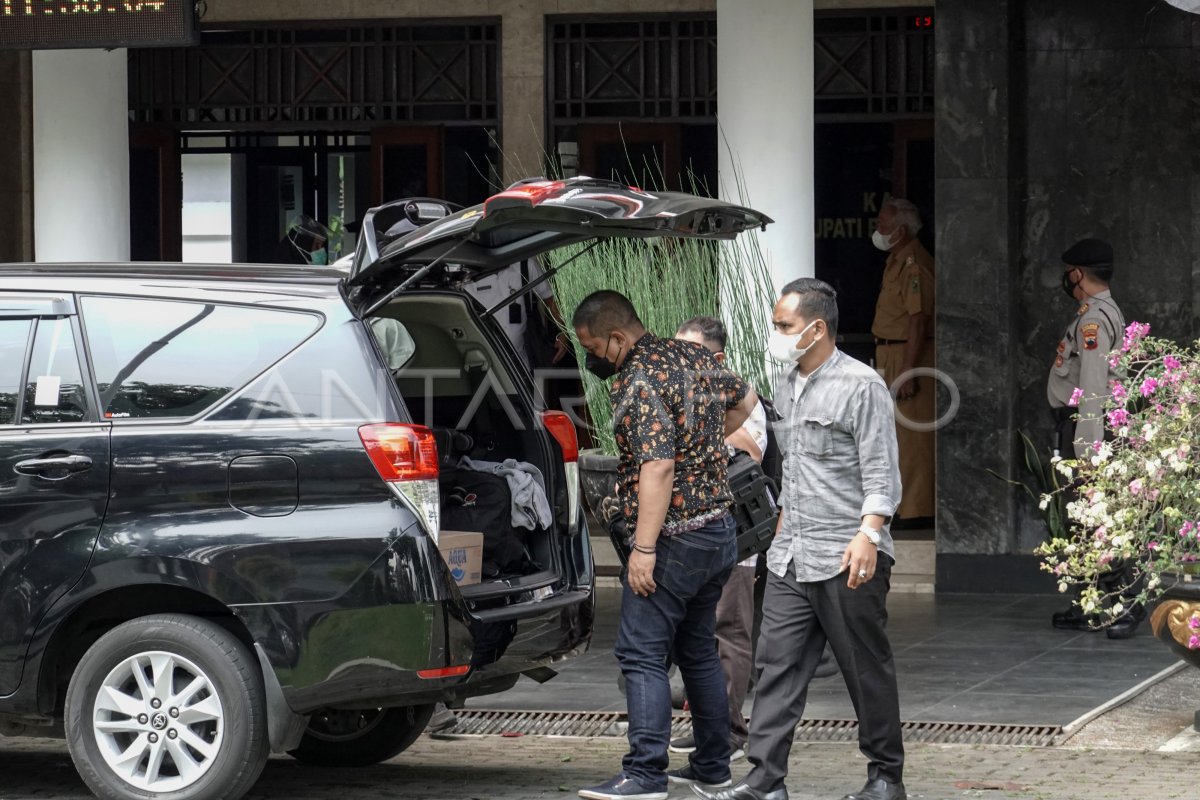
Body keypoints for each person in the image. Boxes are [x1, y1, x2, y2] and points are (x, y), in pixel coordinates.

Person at [696, 278, 905, 800]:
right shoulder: (786, 383)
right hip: (792, 554)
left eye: (784, 327)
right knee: (776, 667)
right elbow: (791, 464)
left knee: (865, 670)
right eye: (776, 326)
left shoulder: (862, 386)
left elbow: (882, 474)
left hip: (847, 553)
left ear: (816, 328)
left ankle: (885, 776)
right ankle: (765, 781)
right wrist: (782, 518)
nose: (777, 335)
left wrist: (869, 535)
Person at [573, 291, 757, 800]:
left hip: (673, 540)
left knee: (641, 653)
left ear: (616, 337)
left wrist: (644, 550)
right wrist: (703, 446)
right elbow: (747, 399)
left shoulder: (638, 377)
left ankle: (646, 774)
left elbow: (657, 465)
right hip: (718, 531)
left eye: (592, 346)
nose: (591, 357)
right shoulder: (694, 355)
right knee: (698, 650)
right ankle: (712, 766)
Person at [669, 316, 767, 764]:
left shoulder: (740, 397)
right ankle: (708, 726)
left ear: (717, 358)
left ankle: (728, 730)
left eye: (689, 351)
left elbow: (751, 449)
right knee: (698, 635)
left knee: (729, 631)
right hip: (691, 533)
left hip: (735, 534)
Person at [1046, 238, 1143, 639]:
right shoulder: (1095, 313)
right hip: (1082, 427)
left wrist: (1089, 450)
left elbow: (1092, 386)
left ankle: (1126, 603)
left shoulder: (1094, 319)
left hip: (1090, 429)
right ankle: (1091, 603)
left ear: (1079, 275)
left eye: (1070, 271)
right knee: (1083, 521)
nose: (1067, 279)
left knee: (1099, 517)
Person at [869, 198, 935, 528]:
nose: (877, 230)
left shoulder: (913, 263)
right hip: (890, 353)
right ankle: (903, 505)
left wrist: (909, 370)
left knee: (912, 436)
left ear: (901, 230)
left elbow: (918, 320)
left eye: (883, 224)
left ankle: (917, 509)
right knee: (895, 434)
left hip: (906, 355)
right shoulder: (896, 260)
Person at [464, 257, 570, 370]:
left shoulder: (526, 265)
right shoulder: (466, 278)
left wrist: (563, 332)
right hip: (483, 363)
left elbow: (550, 298)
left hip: (522, 361)